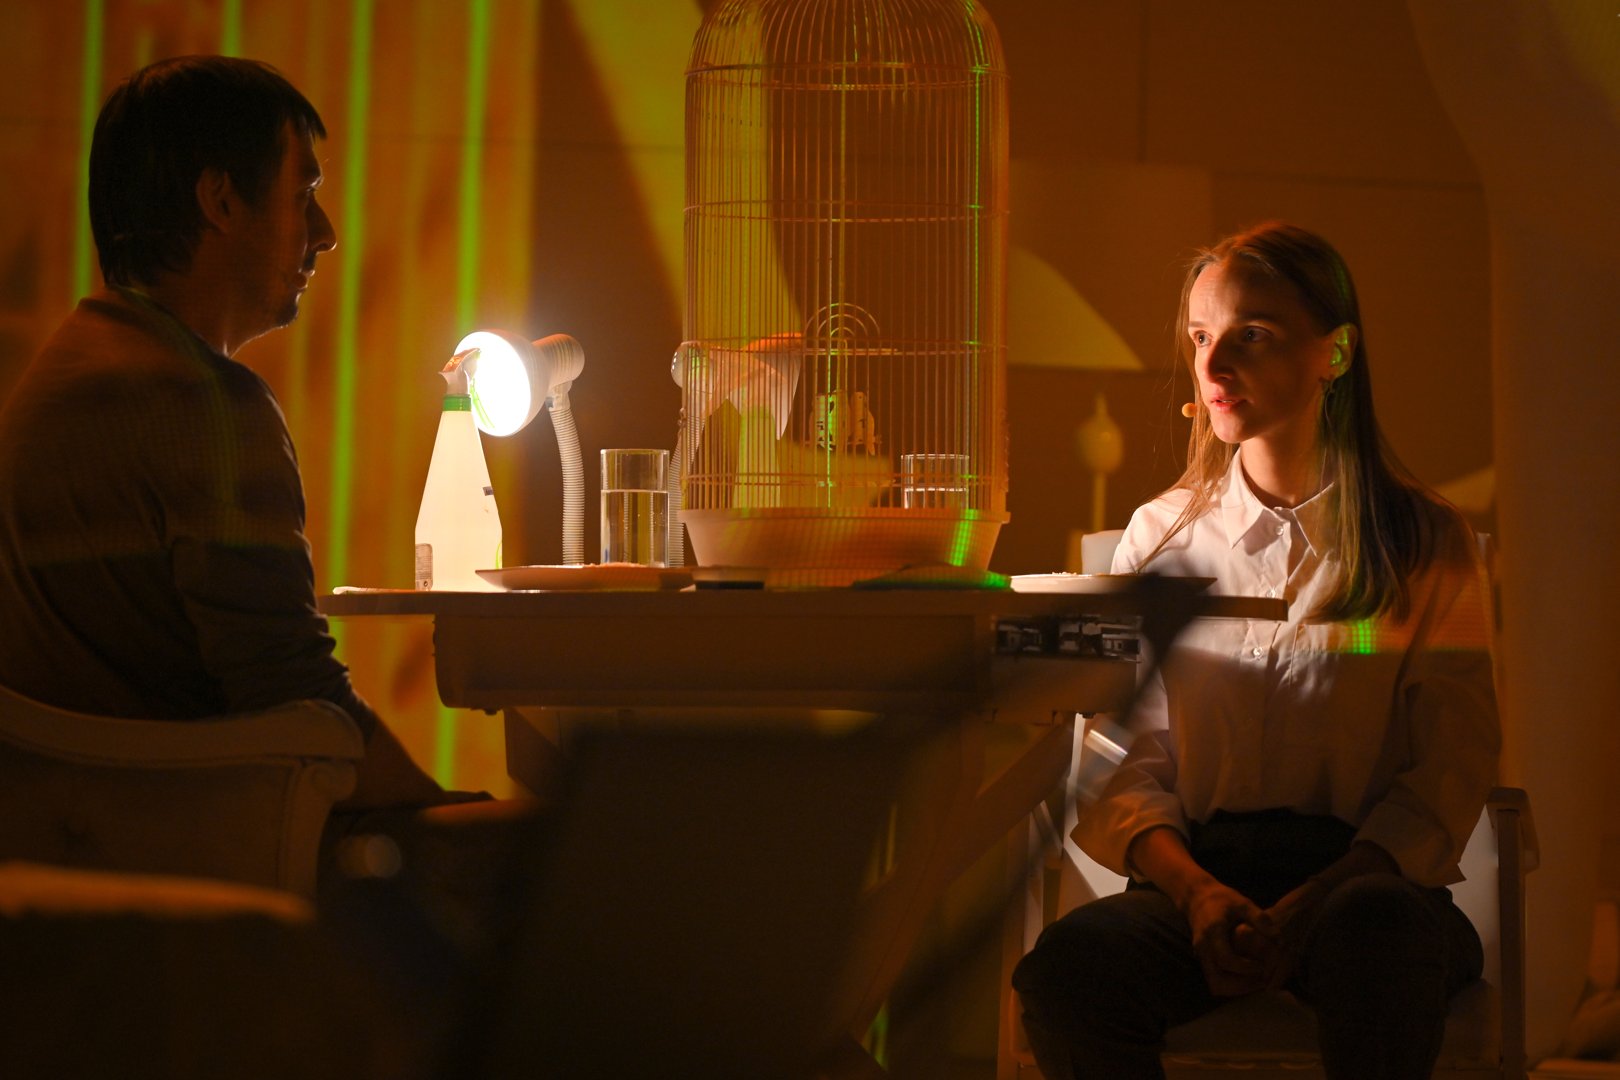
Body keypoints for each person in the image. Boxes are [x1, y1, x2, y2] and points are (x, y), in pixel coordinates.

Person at [1012, 222, 1499, 1079]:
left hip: (1368, 885)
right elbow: (1121, 757)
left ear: (1334, 353)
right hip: (1197, 875)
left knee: (1376, 940)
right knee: (1070, 972)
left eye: (1254, 334)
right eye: (1202, 336)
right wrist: (1198, 893)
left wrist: (1320, 895)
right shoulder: (1163, 536)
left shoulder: (1424, 539)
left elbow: (1452, 763)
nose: (1214, 363)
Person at [0, 56, 451, 817]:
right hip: (189, 832)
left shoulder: (64, 371)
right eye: (303, 195)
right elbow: (294, 698)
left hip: (69, 824)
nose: (326, 234)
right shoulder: (199, 402)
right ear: (220, 200)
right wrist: (451, 819)